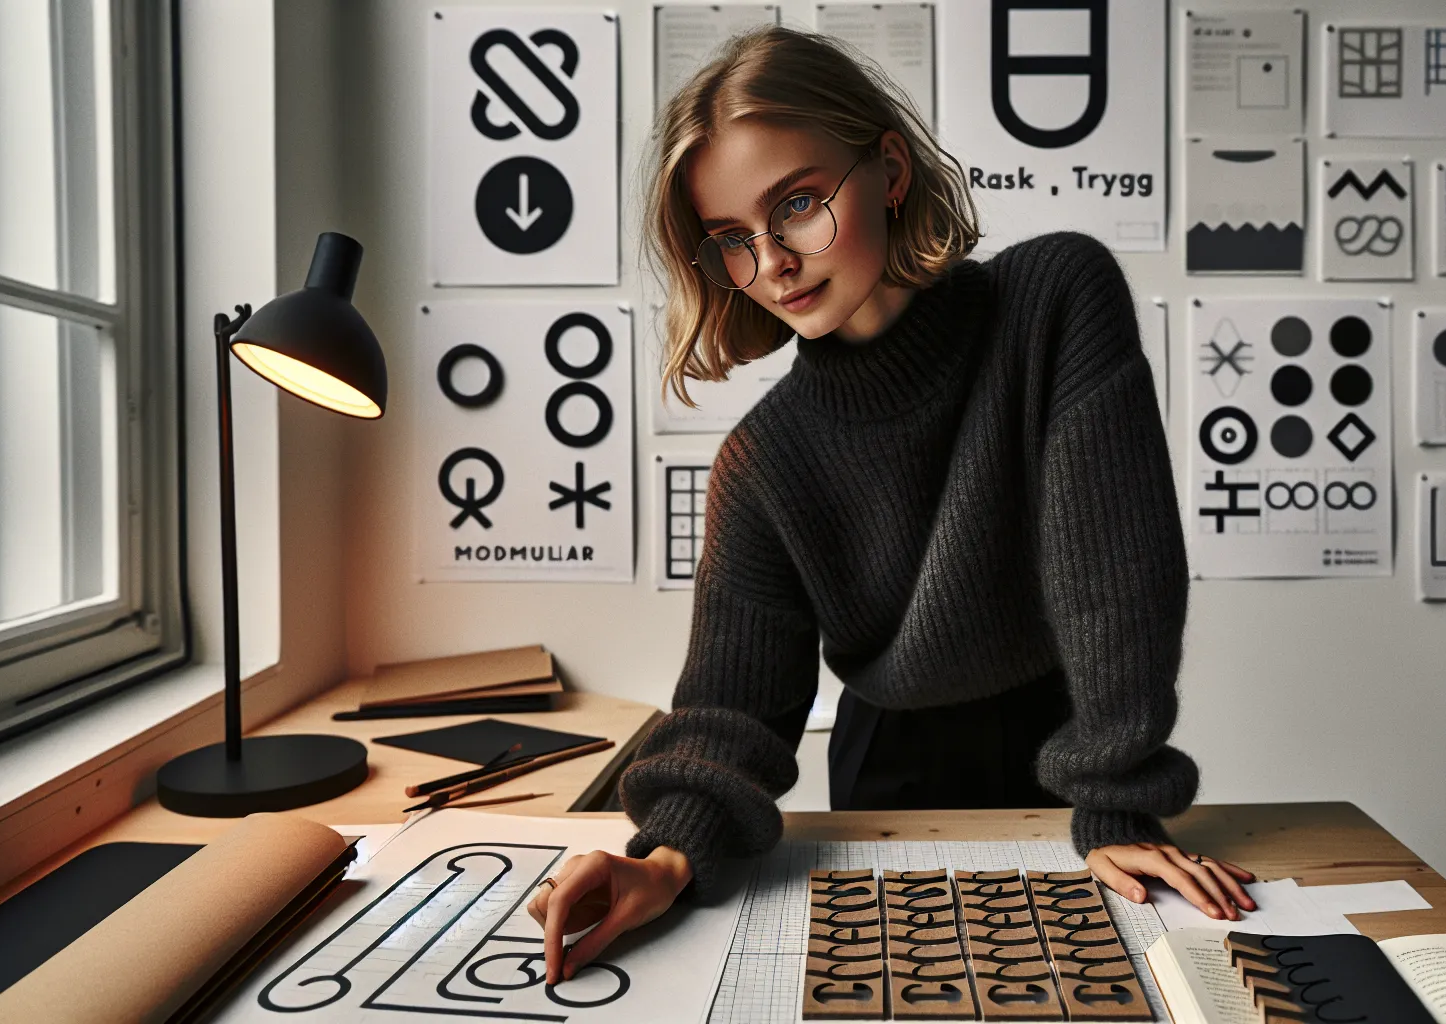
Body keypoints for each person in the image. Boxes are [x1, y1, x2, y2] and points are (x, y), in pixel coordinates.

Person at [527, 25, 1255, 984]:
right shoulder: (763, 459)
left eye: (796, 205)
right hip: (888, 777)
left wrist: (1115, 806)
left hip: (1072, 749)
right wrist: (663, 858)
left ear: (892, 170)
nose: (775, 262)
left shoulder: (1054, 299)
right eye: (733, 242)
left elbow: (1112, 585)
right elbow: (734, 710)